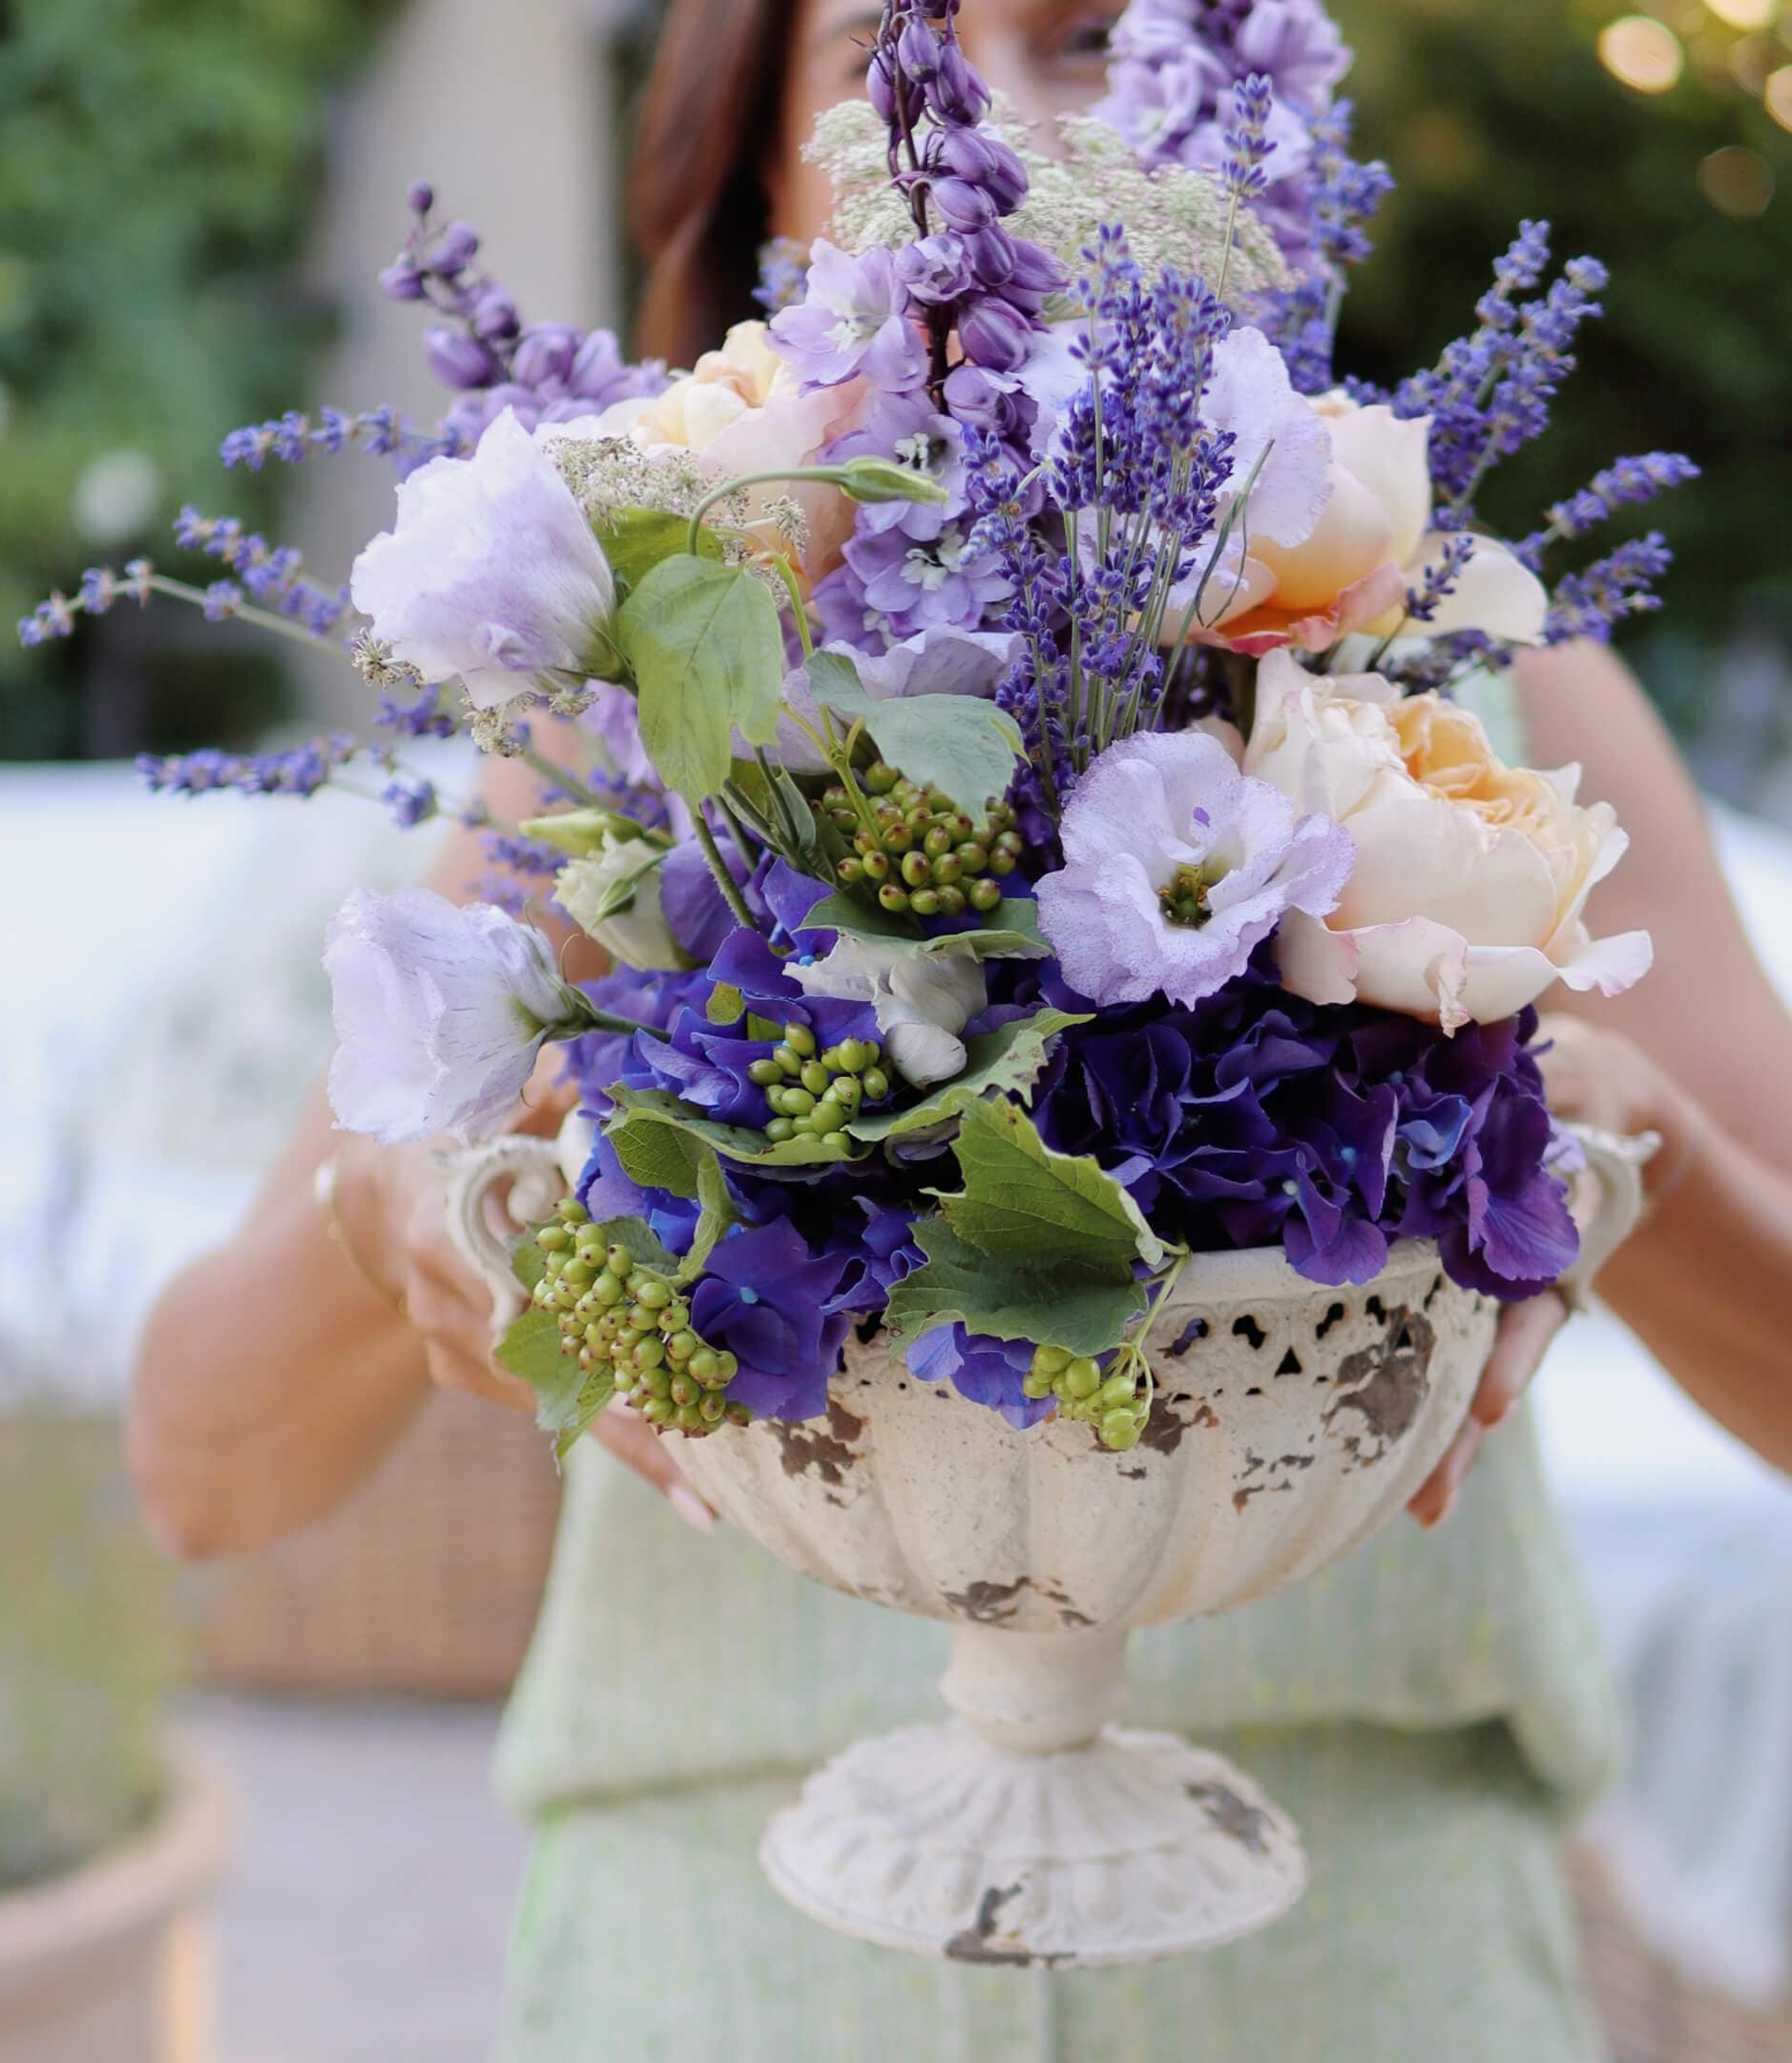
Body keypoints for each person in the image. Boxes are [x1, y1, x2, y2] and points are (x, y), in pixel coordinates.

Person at [128, 3, 1792, 2054]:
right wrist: (391, 1213)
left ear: (1250, 120)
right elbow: (198, 1469)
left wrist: (1607, 1137)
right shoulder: (637, 727)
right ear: (750, 169)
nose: (994, 129)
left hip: (1371, 1960)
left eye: (1094, 35)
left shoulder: (1481, 704)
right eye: (897, 46)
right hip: (726, 1969)